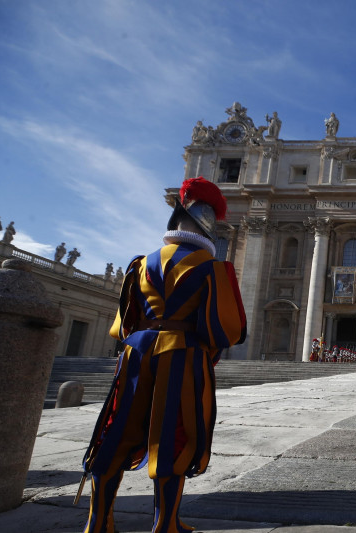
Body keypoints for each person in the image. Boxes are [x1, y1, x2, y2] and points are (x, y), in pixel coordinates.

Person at [80, 177, 247, 533]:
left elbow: (123, 325)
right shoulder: (213, 268)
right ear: (208, 220)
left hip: (136, 355)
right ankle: (165, 524)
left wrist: (142, 343)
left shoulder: (139, 265)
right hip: (184, 357)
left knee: (116, 430)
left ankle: (98, 522)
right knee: (175, 435)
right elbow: (224, 330)